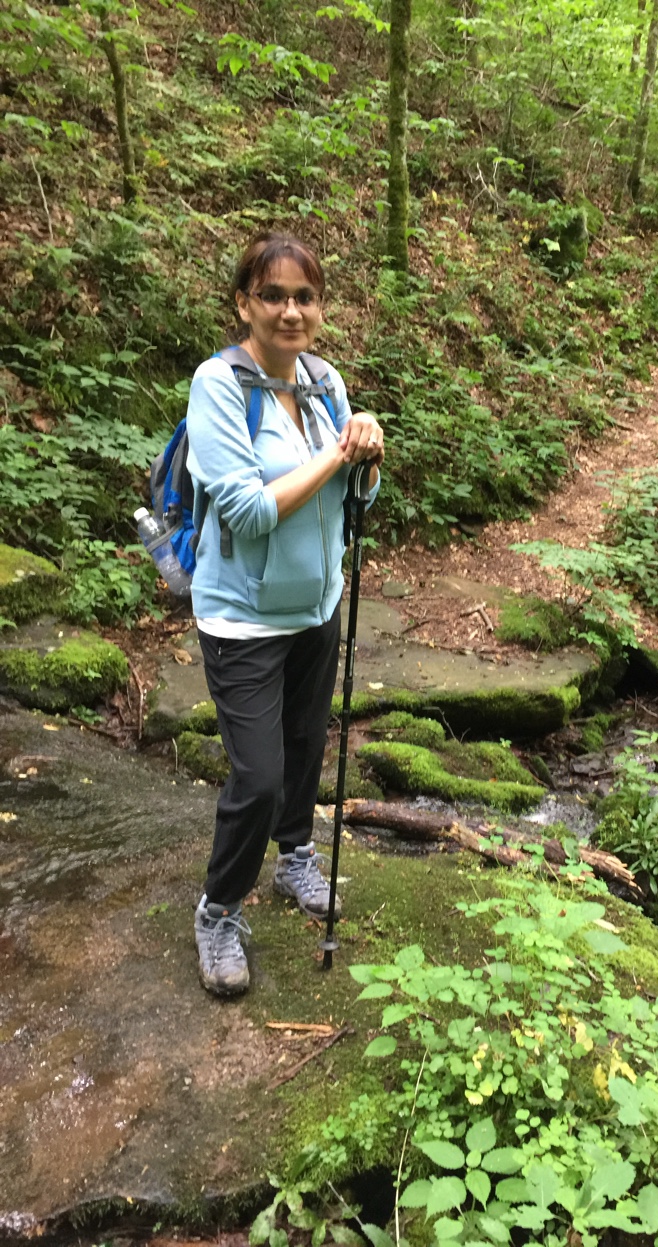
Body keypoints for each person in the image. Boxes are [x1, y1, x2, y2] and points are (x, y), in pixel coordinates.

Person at [185, 233, 383, 997]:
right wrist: (339, 454)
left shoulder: (325, 381)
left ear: (320, 307)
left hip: (315, 604)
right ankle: (217, 909)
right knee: (258, 774)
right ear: (244, 304)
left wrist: (368, 458)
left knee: (304, 744)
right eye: (273, 295)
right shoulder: (219, 386)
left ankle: (294, 855)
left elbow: (355, 502)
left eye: (304, 296)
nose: (290, 310)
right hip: (241, 616)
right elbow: (244, 508)